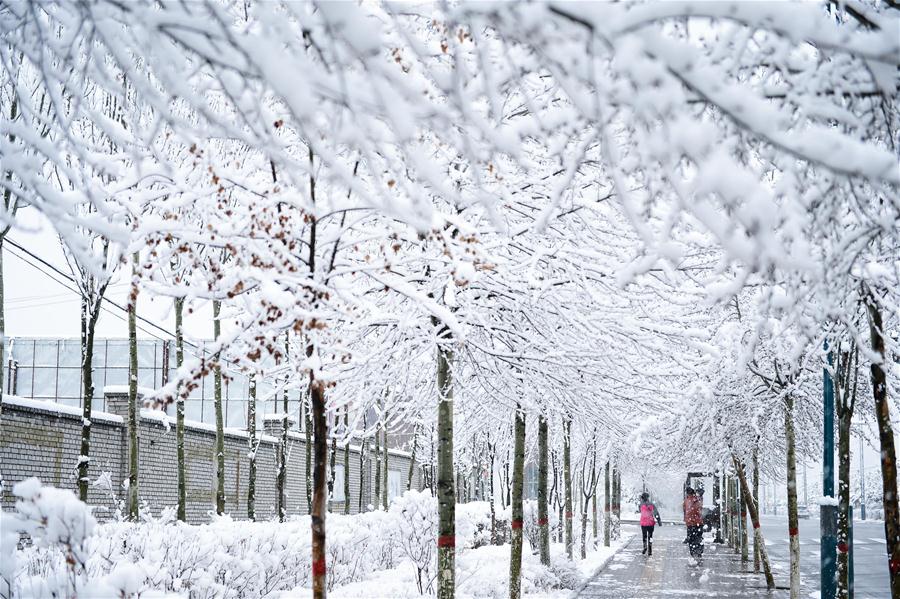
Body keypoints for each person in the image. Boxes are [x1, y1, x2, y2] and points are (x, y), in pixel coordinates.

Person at [683, 487, 704, 558]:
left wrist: (686, 520)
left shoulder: (686, 500)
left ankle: (693, 552)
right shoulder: (697, 499)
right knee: (698, 537)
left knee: (691, 538)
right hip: (698, 522)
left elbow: (685, 511)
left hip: (690, 523)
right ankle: (699, 551)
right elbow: (699, 509)